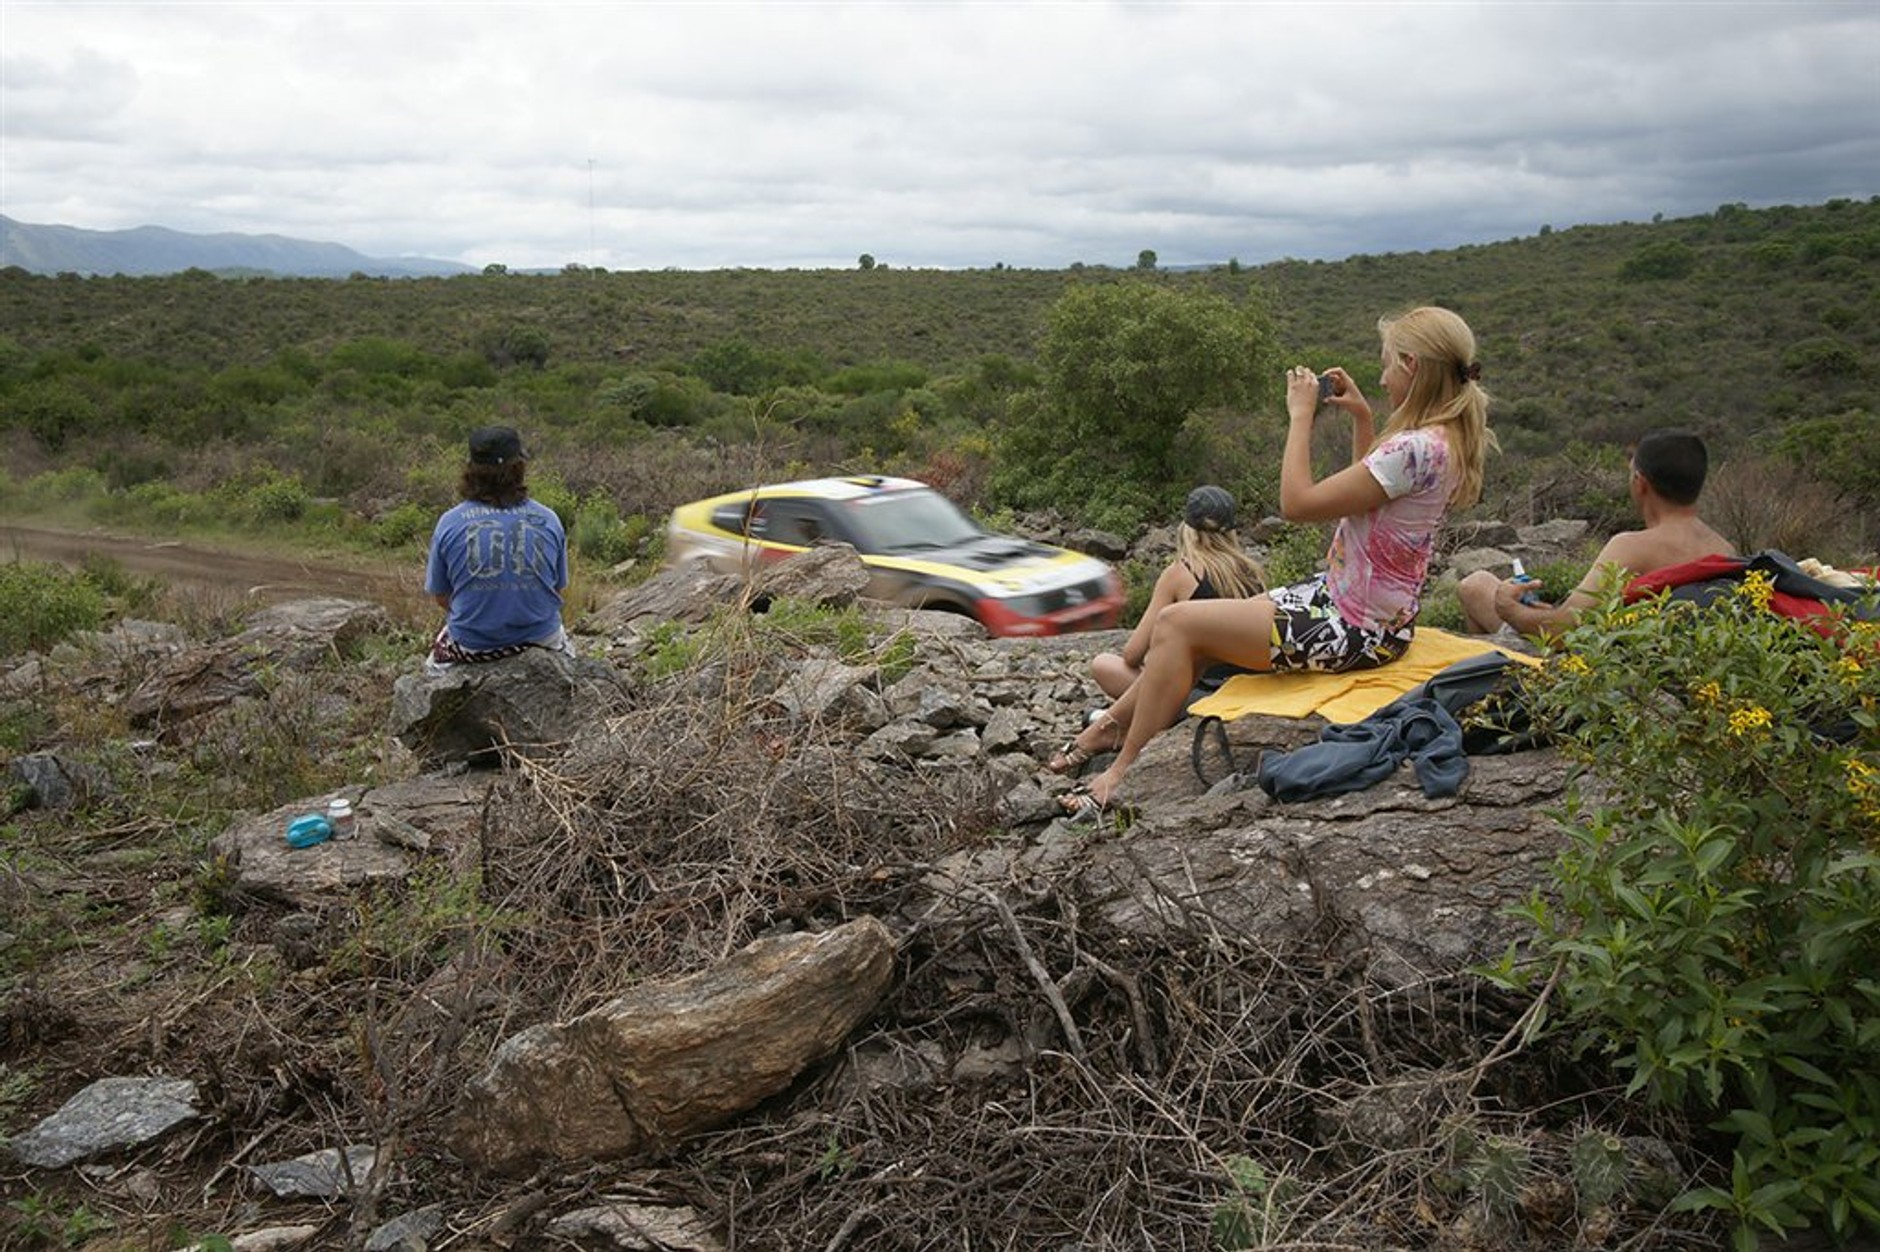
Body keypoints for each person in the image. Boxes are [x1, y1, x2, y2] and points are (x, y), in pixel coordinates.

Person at [1052, 305, 1495, 818]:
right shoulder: (1442, 441)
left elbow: (1297, 504)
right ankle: (1102, 730)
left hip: (1352, 626)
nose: (1382, 376)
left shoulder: (1415, 447)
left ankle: (1119, 771)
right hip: (1367, 616)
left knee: (1176, 624)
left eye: (1389, 365)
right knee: (1199, 633)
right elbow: (1369, 493)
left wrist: (1301, 416)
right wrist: (1362, 418)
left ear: (1413, 366)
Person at [1049, 485, 1265, 773]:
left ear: (1187, 528)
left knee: (1104, 664)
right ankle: (1118, 727)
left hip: (1198, 696)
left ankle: (1113, 729)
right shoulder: (1254, 574)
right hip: (1247, 691)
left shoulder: (1181, 573)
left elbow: (1131, 654)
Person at [1456, 429, 1735, 640]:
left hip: (1594, 669)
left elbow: (1561, 632)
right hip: (1662, 663)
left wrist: (1509, 608)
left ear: (1641, 484)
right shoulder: (1726, 551)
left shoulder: (1632, 547)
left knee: (1476, 585)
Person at [424, 425, 573, 671]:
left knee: (432, 665)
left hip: (474, 645)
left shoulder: (449, 523)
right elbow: (555, 589)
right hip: (541, 640)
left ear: (470, 470)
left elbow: (442, 596)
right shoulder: (548, 519)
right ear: (519, 468)